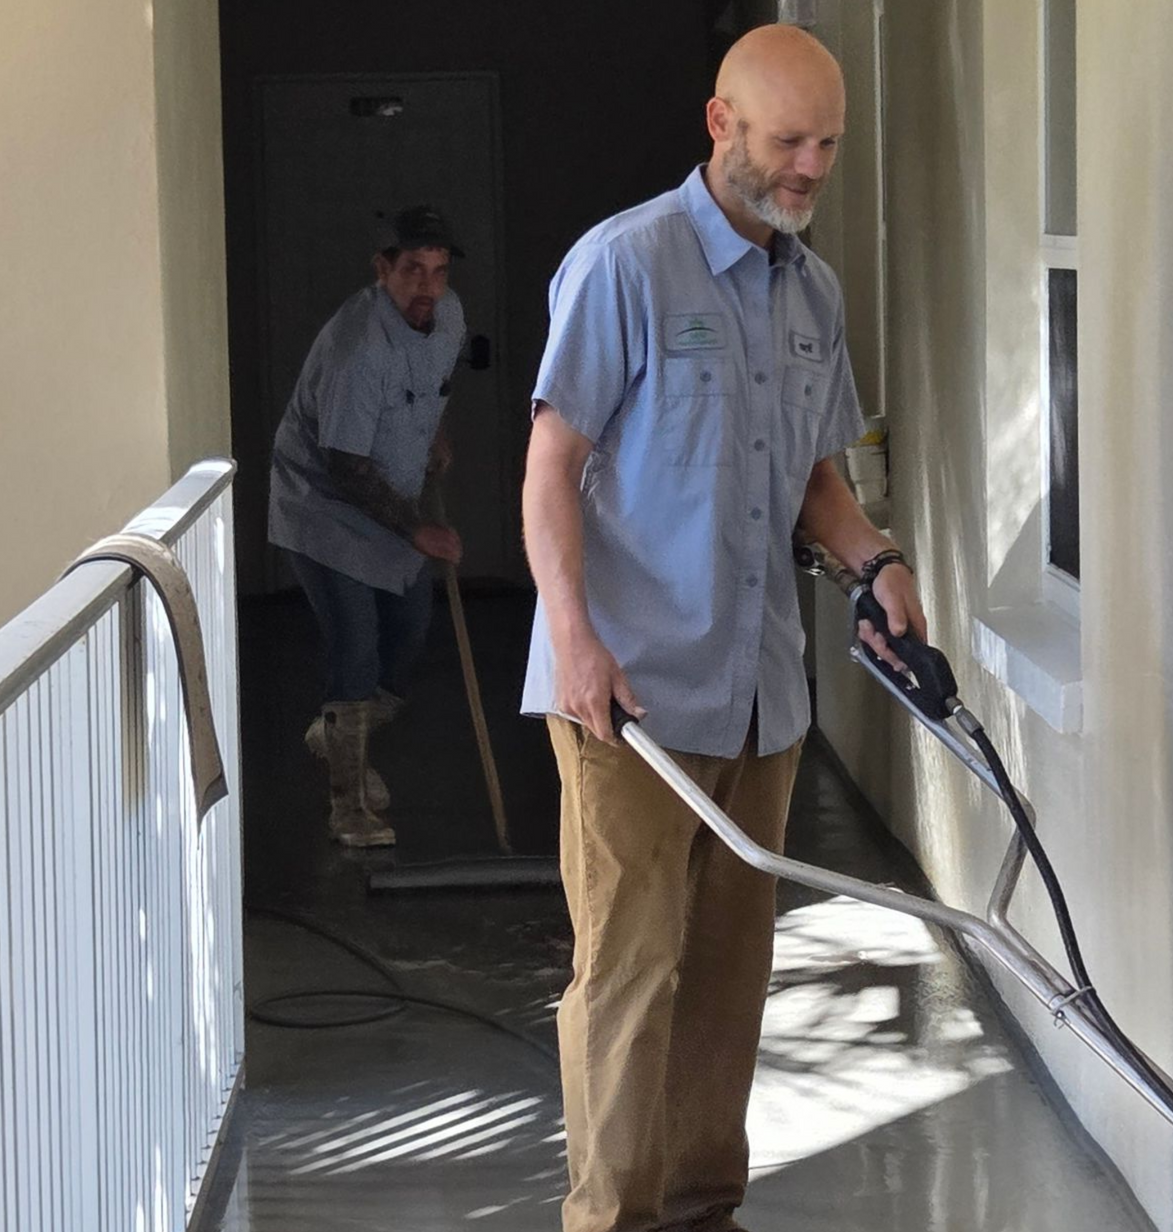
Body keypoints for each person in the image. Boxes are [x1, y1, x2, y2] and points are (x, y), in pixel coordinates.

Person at [520, 25, 926, 1232]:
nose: (809, 167)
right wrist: (575, 638)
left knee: (731, 976)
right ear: (719, 124)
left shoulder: (814, 291)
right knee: (631, 971)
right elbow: (550, 471)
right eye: (787, 141)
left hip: (763, 695)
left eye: (828, 145)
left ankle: (704, 1208)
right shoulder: (625, 266)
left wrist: (876, 559)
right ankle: (610, 1216)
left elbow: (814, 479)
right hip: (629, 698)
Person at [267, 205, 468, 848]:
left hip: (393, 493)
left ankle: (335, 736)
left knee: (406, 639)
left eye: (438, 271)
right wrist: (418, 532)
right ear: (383, 270)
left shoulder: (449, 317)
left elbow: (435, 382)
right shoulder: (360, 346)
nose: (427, 286)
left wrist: (434, 432)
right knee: (356, 646)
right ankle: (348, 806)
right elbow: (345, 466)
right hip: (324, 507)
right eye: (412, 270)